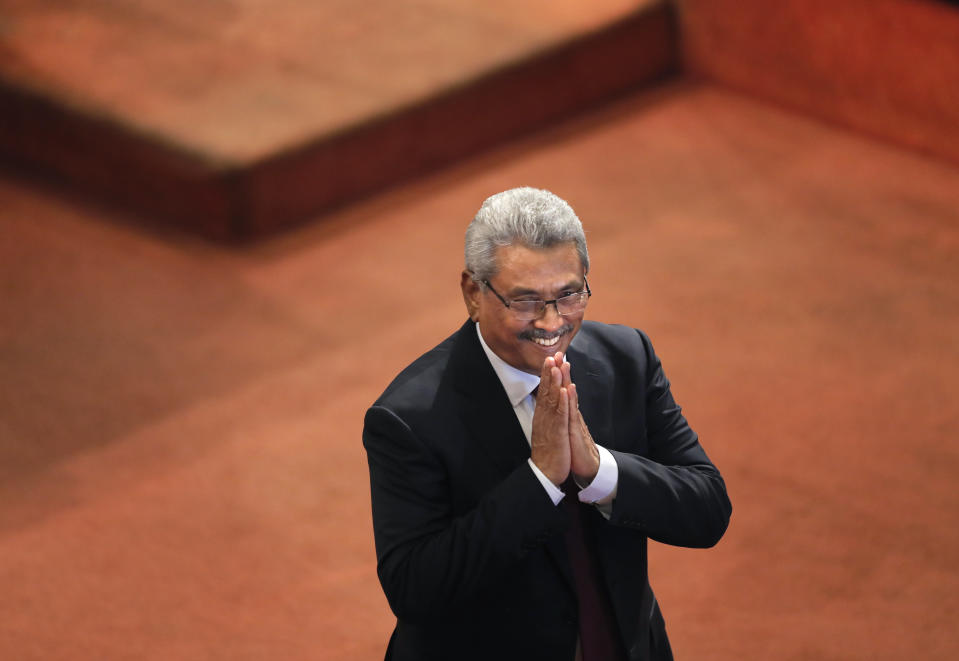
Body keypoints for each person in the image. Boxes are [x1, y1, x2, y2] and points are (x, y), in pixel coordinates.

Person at [363, 187, 731, 661]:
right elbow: (415, 588)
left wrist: (599, 471)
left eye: (569, 295)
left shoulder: (627, 358)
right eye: (526, 301)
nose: (552, 322)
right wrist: (540, 482)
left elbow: (708, 510)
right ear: (473, 293)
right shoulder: (408, 418)